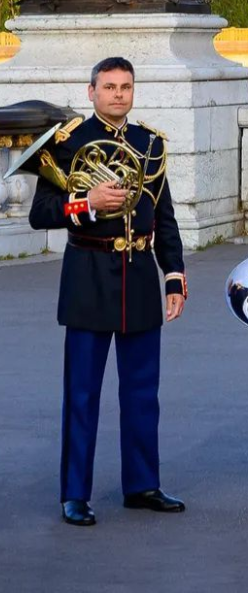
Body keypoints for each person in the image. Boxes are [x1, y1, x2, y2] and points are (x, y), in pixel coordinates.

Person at [28, 57, 188, 526]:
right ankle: (74, 494)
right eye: (110, 87)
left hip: (139, 273)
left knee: (143, 393)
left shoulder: (149, 143)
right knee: (82, 395)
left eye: (126, 87)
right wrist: (87, 201)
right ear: (92, 91)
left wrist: (173, 275)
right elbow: (41, 213)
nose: (119, 94)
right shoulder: (66, 143)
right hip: (88, 273)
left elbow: (165, 216)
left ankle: (142, 485)